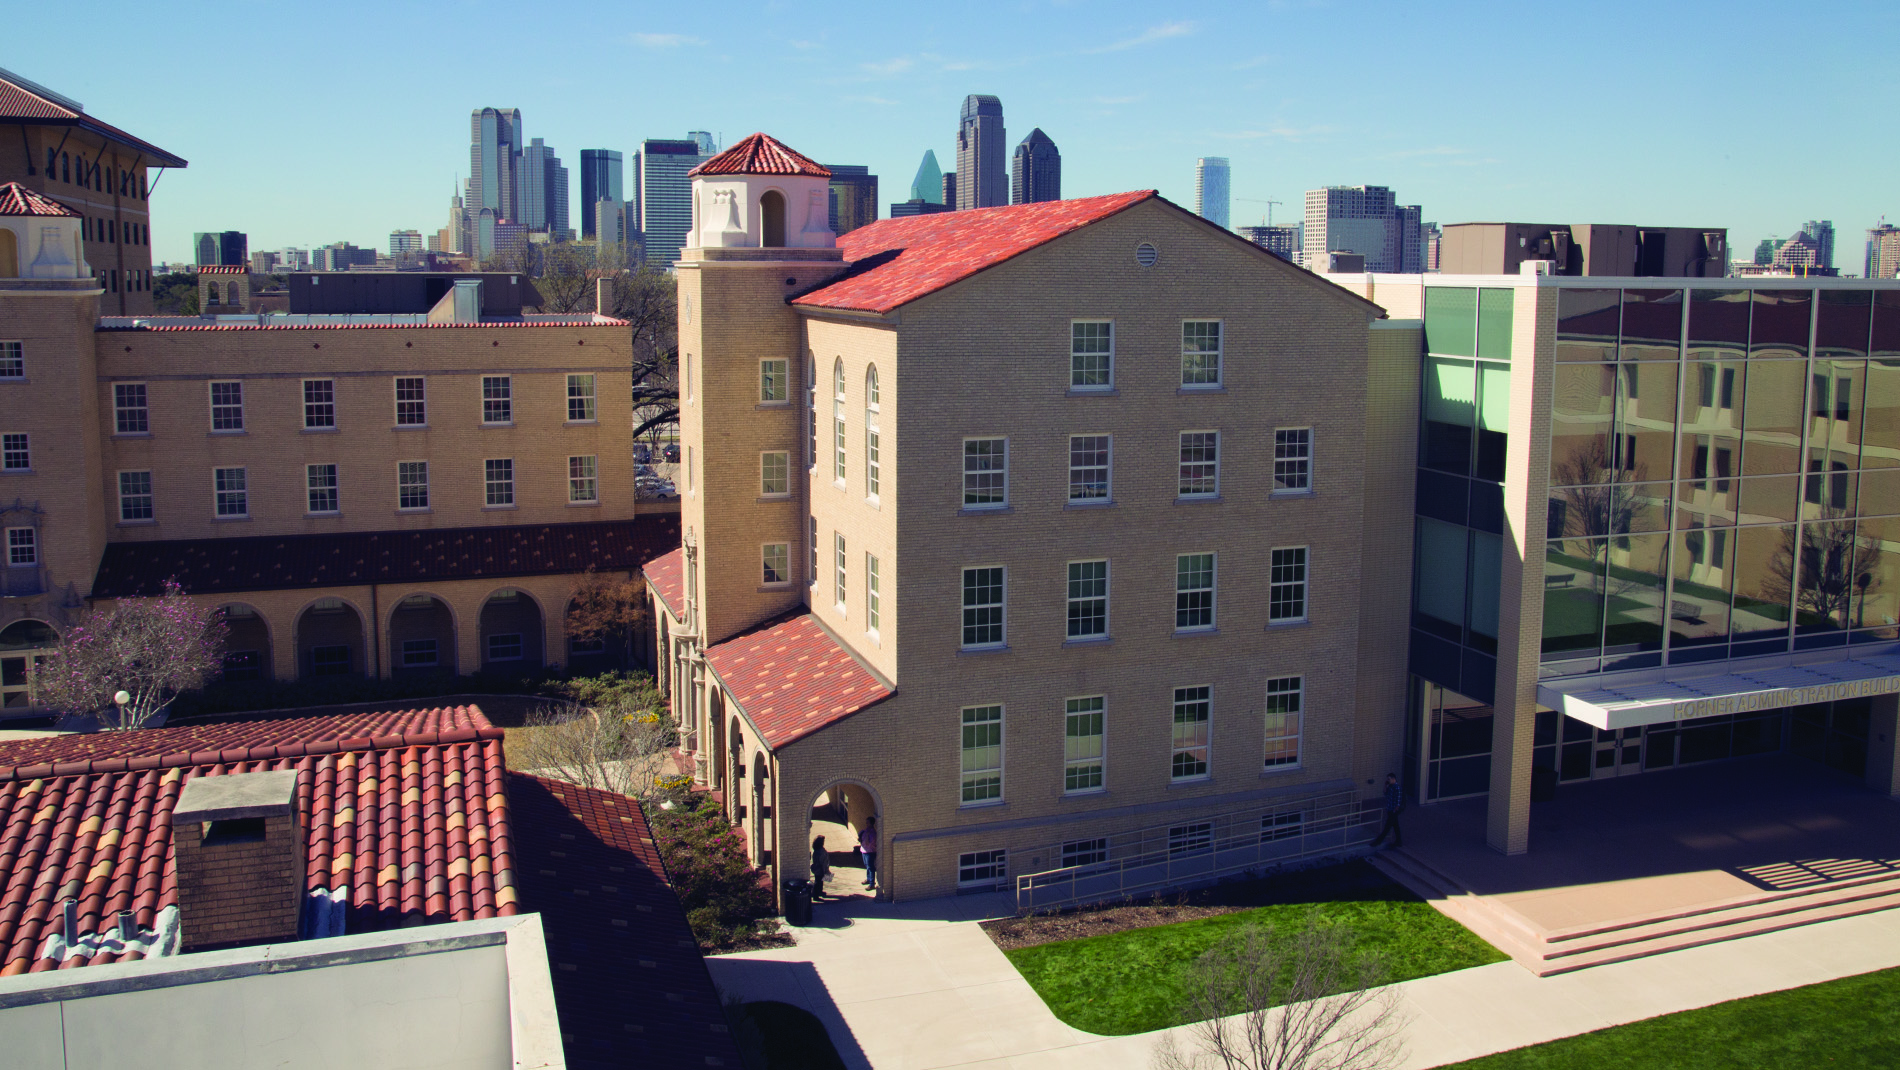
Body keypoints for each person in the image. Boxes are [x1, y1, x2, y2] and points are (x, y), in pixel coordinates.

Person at [1369, 773, 1404, 850]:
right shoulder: (1390, 787)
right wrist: (1385, 785)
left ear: (1393, 779)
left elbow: (1398, 801)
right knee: (1396, 826)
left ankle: (1378, 841)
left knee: (1387, 827)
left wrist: (1395, 810)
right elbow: (1385, 793)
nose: (1388, 780)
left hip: (1393, 811)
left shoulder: (1397, 788)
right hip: (1390, 809)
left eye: (1389, 779)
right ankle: (1399, 841)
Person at [858, 817, 879, 890]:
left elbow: (868, 843)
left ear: (871, 823)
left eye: (868, 822)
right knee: (867, 866)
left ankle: (872, 884)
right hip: (864, 851)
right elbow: (862, 839)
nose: (866, 824)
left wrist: (866, 837)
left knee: (871, 867)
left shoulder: (873, 833)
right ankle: (868, 879)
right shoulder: (866, 830)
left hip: (870, 852)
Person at [810, 836, 832, 900]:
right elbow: (823, 861)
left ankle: (820, 892)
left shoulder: (816, 849)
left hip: (816, 868)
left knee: (820, 881)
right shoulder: (820, 851)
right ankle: (815, 896)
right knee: (818, 882)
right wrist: (825, 870)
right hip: (820, 869)